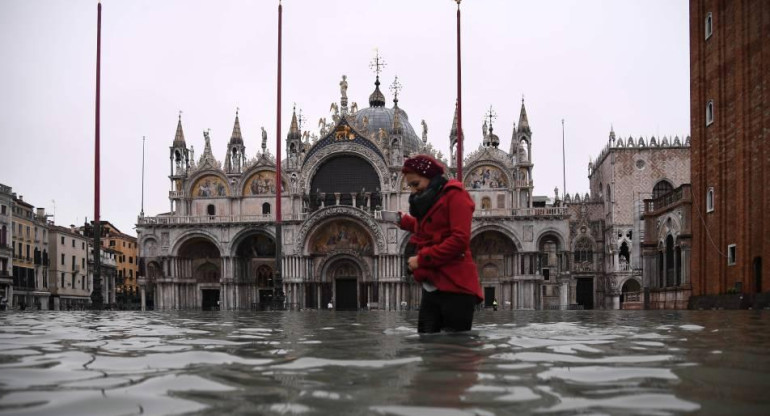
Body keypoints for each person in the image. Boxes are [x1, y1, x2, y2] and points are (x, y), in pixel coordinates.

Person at [396, 154, 483, 333]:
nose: (413, 191)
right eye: (410, 186)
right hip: (433, 284)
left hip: (456, 286)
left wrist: (421, 260)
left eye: (416, 184)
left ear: (430, 177)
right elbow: (433, 228)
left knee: (455, 348)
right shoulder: (430, 200)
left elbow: (459, 240)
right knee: (427, 344)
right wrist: (404, 221)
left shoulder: (456, 195)